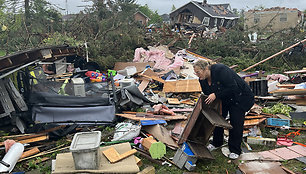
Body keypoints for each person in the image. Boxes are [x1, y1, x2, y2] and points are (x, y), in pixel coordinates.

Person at [193, 60, 254, 159]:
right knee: (217, 117)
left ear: (206, 69)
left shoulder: (220, 70)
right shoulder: (202, 80)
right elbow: (207, 94)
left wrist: (216, 95)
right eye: (195, 73)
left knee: (236, 122)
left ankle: (235, 150)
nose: (197, 75)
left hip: (239, 96)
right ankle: (217, 142)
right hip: (224, 98)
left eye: (198, 72)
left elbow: (233, 87)